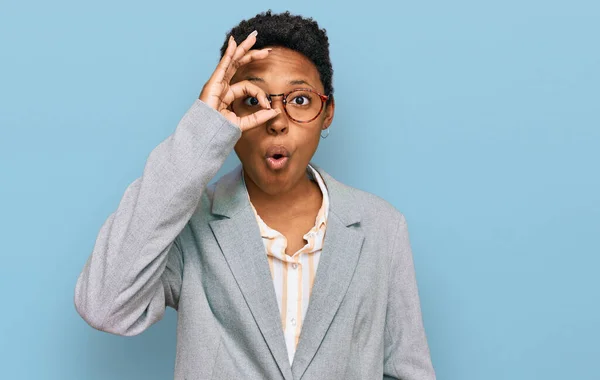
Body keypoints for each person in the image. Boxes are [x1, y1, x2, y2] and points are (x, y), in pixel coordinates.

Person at [74, 10, 436, 380]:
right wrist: (203, 129)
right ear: (227, 111)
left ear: (327, 113)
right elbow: (104, 305)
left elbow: (408, 370)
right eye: (253, 99)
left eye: (299, 100)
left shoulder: (382, 228)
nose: (276, 120)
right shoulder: (189, 225)